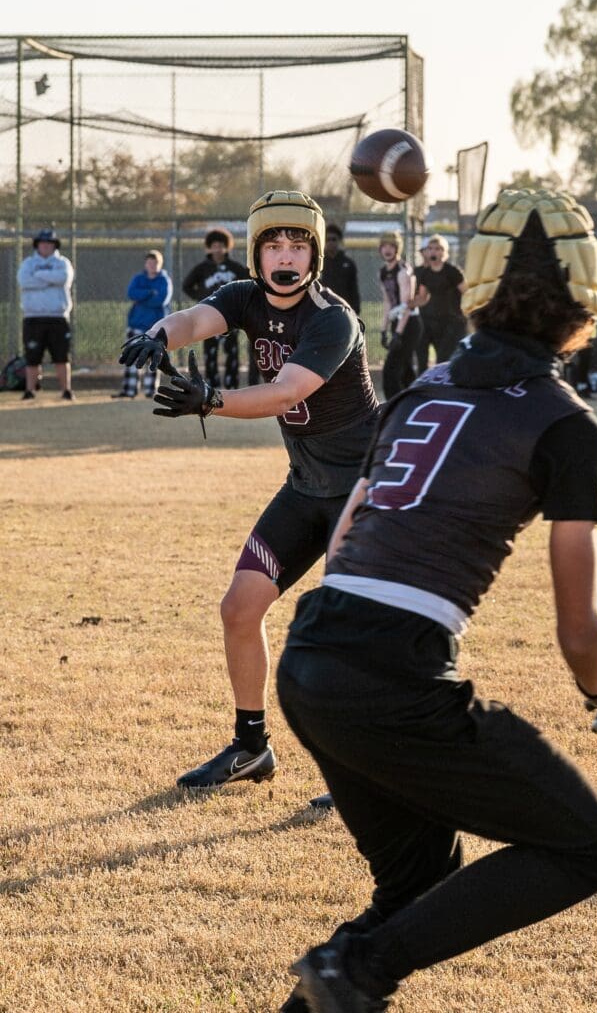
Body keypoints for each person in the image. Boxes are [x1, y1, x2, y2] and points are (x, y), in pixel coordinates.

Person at [276, 188, 597, 1013]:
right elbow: (578, 629)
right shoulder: (566, 422)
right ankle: (354, 972)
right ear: (586, 295)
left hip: (312, 651)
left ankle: (346, 974)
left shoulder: (419, 389)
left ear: (471, 284)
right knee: (588, 846)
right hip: (390, 671)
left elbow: (346, 536)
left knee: (415, 890)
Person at [119, 191, 379, 789]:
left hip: (363, 494)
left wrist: (210, 399)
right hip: (308, 487)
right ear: (256, 255)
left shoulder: (333, 318)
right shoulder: (245, 296)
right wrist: (159, 334)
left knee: (351, 636)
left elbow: (287, 393)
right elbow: (193, 320)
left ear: (314, 252)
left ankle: (373, 776)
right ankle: (251, 748)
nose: (285, 258)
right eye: (273, 246)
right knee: (240, 609)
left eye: (297, 245)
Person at [182, 227, 252, 388]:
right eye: (214, 245)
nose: (218, 249)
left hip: (231, 316)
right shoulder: (202, 269)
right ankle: (212, 385)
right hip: (208, 315)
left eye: (221, 245)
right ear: (209, 247)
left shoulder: (235, 267)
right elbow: (187, 285)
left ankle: (232, 385)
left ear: (227, 247)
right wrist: (201, 298)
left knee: (231, 352)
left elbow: (249, 283)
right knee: (210, 351)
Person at [18, 228, 74, 401]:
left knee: (61, 357)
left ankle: (66, 390)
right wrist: (50, 279)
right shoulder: (28, 263)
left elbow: (63, 278)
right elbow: (24, 281)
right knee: (32, 357)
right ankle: (30, 391)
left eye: (49, 243)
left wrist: (40, 275)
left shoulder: (63, 262)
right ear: (37, 245)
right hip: (33, 318)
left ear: (54, 245)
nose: (46, 246)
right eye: (43, 243)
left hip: (58, 318)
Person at [113, 250, 173, 399]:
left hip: (156, 328)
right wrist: (150, 293)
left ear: (160, 264)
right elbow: (132, 293)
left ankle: (150, 391)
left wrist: (143, 297)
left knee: (153, 360)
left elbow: (161, 300)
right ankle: (129, 390)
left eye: (155, 263)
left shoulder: (164, 280)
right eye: (150, 262)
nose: (152, 265)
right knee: (131, 357)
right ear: (146, 264)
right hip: (136, 325)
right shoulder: (138, 278)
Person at [414, 233, 467, 373]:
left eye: (438, 249)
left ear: (444, 252)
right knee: (422, 358)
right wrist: (406, 305)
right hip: (431, 321)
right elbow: (422, 297)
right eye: (431, 248)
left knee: (443, 359)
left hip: (451, 321)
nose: (434, 252)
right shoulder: (425, 273)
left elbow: (466, 293)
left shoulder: (453, 272)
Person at [378, 230, 422, 399]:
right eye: (384, 246)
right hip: (398, 322)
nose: (387, 250)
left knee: (391, 370)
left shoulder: (404, 271)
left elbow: (407, 306)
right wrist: (383, 330)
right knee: (406, 369)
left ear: (397, 248)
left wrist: (398, 333)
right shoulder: (382, 272)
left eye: (391, 246)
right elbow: (388, 302)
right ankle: (413, 403)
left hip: (410, 324)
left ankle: (393, 405)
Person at [320, 223, 360, 314]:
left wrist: (355, 311)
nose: (330, 242)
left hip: (344, 310)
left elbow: (353, 290)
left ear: (339, 241)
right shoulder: (319, 263)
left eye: (333, 239)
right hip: (322, 309)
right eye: (327, 239)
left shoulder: (348, 264)